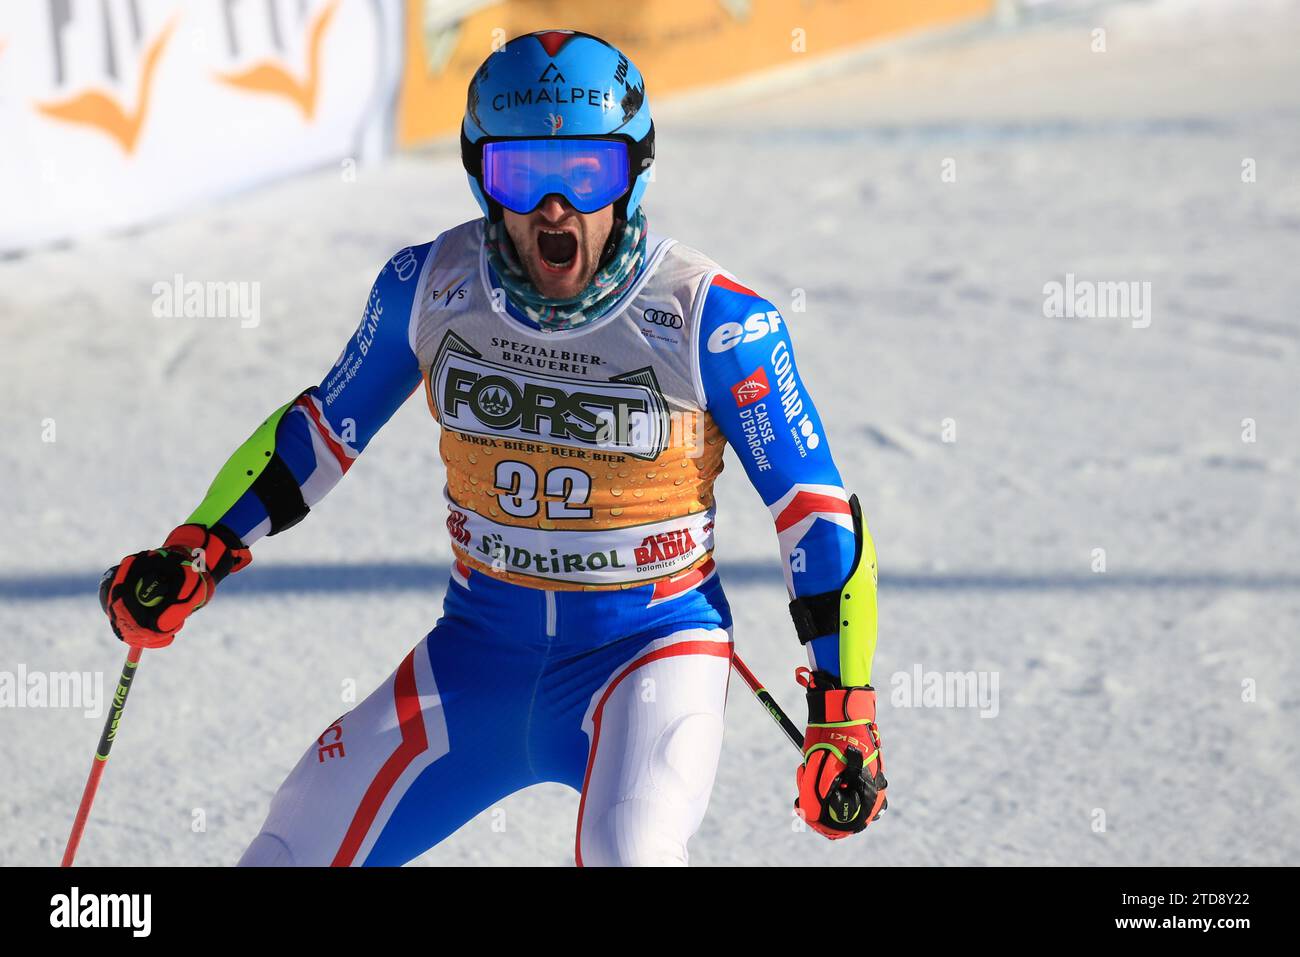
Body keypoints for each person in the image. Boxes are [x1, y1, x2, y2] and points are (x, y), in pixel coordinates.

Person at [99, 29, 887, 866]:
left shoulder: (712, 320)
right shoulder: (430, 285)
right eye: (524, 174)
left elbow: (812, 510)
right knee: (293, 839)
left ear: (635, 174)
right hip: (478, 650)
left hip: (651, 652)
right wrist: (198, 548)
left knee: (634, 850)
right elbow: (322, 433)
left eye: (587, 174)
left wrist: (845, 708)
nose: (556, 208)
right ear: (482, 177)